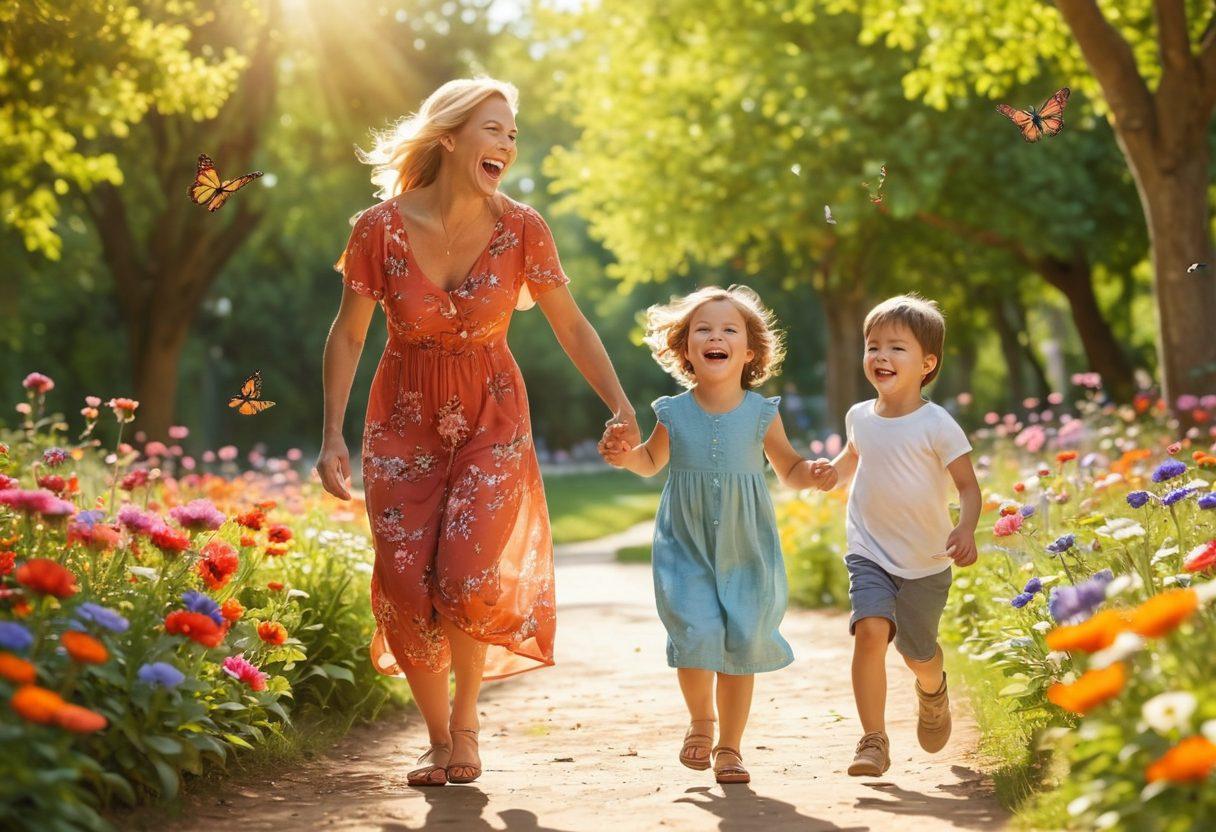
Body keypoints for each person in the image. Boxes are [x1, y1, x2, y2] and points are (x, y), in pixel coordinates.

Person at [315, 77, 639, 787]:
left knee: (464, 573)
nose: (508, 144)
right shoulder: (377, 229)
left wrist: (621, 403)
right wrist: (331, 435)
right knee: (404, 584)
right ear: (450, 136)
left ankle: (466, 729)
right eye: (494, 129)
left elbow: (572, 325)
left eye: (513, 133)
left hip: (493, 413)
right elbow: (347, 335)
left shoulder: (524, 227)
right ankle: (436, 738)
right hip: (402, 418)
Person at [599, 285, 834, 784]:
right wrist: (625, 456)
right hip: (684, 543)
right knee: (695, 630)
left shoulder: (761, 413)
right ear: (685, 348)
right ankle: (701, 722)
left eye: (730, 330)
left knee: (742, 638)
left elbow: (787, 465)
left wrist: (809, 473)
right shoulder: (673, 412)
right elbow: (649, 460)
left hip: (744, 543)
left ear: (749, 352)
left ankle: (730, 747)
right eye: (703, 329)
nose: (716, 336)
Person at [822, 294, 981, 777]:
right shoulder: (858, 416)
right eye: (873, 347)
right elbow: (854, 457)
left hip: (926, 559)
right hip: (868, 548)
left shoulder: (937, 424)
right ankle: (872, 740)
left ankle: (933, 690)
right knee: (869, 632)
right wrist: (830, 473)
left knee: (918, 653)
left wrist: (966, 526)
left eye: (896, 348)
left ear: (927, 363)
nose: (881, 357)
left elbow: (969, 487)